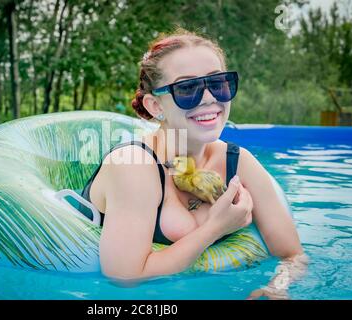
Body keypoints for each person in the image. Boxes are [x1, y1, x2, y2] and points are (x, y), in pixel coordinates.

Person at [80, 28, 308, 299]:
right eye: (187, 89)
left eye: (218, 83)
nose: (210, 98)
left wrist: (276, 288)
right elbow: (124, 278)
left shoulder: (238, 161)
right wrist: (215, 228)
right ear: (155, 106)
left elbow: (293, 255)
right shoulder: (133, 166)